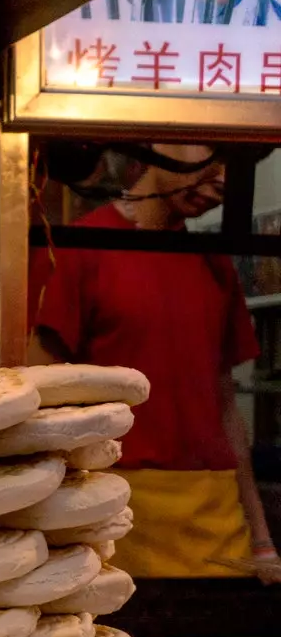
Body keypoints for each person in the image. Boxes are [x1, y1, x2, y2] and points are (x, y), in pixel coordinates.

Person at [30, 142, 276, 580]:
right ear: (160, 141)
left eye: (234, 166)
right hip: (114, 512)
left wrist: (260, 537)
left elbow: (224, 407)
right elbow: (40, 399)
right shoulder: (80, 249)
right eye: (212, 156)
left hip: (215, 519)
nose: (222, 179)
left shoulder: (214, 265)